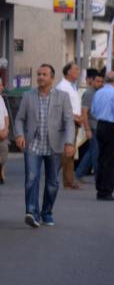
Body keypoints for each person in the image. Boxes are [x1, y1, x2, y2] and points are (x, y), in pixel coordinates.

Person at [13, 64, 75, 226]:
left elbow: (69, 121)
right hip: (33, 145)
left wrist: (69, 142)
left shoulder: (62, 97)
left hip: (55, 146)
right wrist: (19, 135)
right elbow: (19, 119)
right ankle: (31, 213)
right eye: (39, 74)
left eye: (44, 74)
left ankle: (47, 212)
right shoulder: (28, 96)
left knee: (52, 182)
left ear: (52, 78)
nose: (40, 77)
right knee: (31, 178)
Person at [90, 72, 114, 201]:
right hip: (112, 127)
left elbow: (93, 111)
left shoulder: (98, 93)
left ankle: (100, 188)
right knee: (111, 161)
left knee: (101, 158)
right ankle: (107, 190)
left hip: (100, 125)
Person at [55, 62, 84, 189]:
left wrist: (79, 116)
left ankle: (69, 180)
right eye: (76, 69)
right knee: (67, 152)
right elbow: (59, 107)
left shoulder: (72, 86)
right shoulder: (62, 87)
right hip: (67, 123)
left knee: (70, 152)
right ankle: (66, 180)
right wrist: (74, 116)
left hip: (74, 122)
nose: (78, 71)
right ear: (68, 72)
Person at [76, 69, 103, 181]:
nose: (100, 83)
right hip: (93, 126)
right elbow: (84, 113)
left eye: (101, 81)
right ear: (91, 81)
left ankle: (79, 173)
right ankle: (98, 176)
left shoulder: (98, 92)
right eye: (97, 81)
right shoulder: (89, 93)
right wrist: (87, 129)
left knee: (92, 151)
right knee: (95, 152)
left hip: (98, 126)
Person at [0, 77, 9, 184]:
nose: (2, 87)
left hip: (3, 133)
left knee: (4, 153)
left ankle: (1, 170)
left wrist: (6, 129)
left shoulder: (1, 99)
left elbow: (6, 116)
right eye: (0, 85)